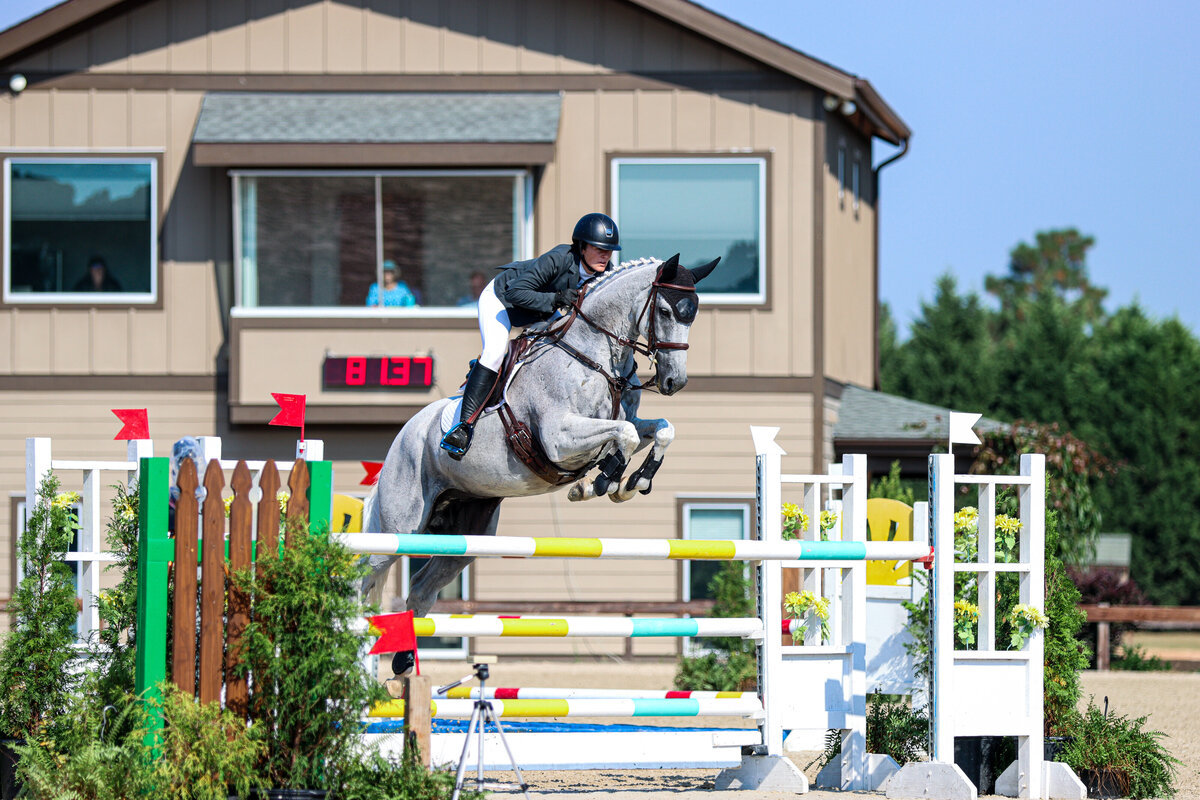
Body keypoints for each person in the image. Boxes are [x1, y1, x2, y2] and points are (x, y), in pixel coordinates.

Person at [439, 212, 620, 460]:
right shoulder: (558, 258)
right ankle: (463, 427)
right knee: (494, 353)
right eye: (599, 249)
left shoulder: (604, 274)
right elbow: (515, 293)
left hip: (539, 309)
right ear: (582, 246)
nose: (605, 255)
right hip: (502, 299)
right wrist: (556, 299)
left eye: (609, 250)